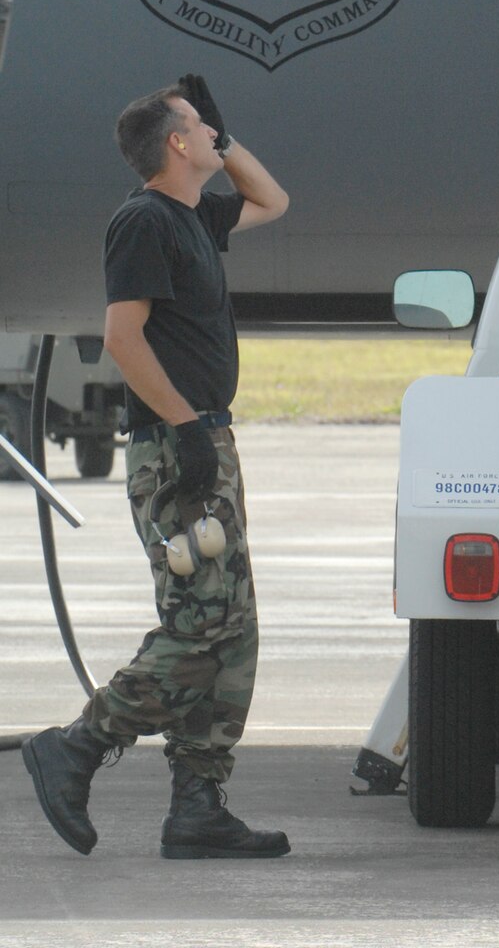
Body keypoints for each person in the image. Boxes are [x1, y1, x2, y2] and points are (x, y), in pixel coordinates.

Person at [22, 75, 290, 860]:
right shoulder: (144, 222)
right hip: (178, 448)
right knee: (200, 625)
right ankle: (78, 744)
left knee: (233, 633)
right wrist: (185, 429)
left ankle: (199, 805)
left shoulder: (195, 217)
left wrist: (226, 137)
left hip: (206, 436)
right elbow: (123, 338)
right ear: (175, 142)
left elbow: (274, 201)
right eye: (200, 126)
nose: (211, 133)